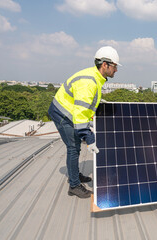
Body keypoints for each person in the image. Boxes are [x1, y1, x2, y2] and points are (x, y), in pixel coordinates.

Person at [48, 46, 121, 198]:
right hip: (63, 114)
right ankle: (74, 185)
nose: (116, 70)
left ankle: (75, 175)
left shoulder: (95, 77)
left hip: (70, 113)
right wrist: (89, 138)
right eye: (114, 66)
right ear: (105, 65)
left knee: (75, 146)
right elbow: (80, 114)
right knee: (73, 147)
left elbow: (85, 105)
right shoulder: (89, 82)